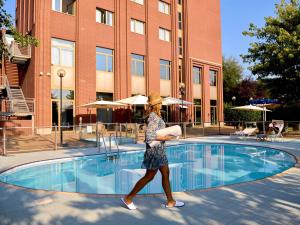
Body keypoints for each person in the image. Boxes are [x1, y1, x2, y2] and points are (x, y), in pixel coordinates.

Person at [121, 92, 185, 210]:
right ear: (156, 104)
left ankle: (170, 201)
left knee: (165, 173)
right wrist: (166, 137)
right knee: (149, 177)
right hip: (154, 153)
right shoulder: (153, 117)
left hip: (160, 152)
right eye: (160, 103)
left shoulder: (156, 116)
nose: (161, 104)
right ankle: (128, 198)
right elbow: (149, 136)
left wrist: (167, 134)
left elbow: (156, 132)